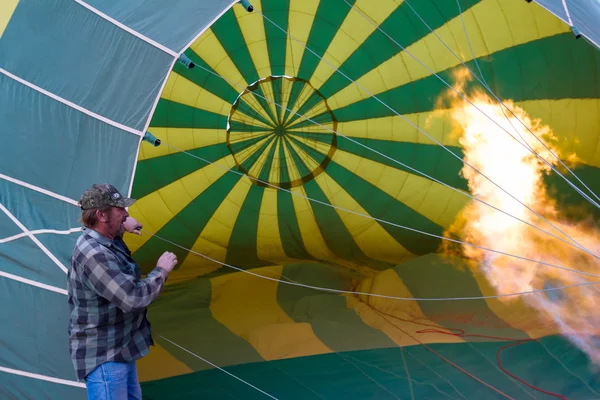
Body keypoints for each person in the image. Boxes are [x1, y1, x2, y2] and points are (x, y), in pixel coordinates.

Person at [67, 183, 178, 400]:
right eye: (120, 210)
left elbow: (109, 239)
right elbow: (132, 298)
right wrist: (161, 270)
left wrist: (123, 225)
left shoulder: (103, 238)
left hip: (120, 347)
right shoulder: (93, 256)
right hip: (104, 356)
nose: (126, 213)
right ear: (101, 215)